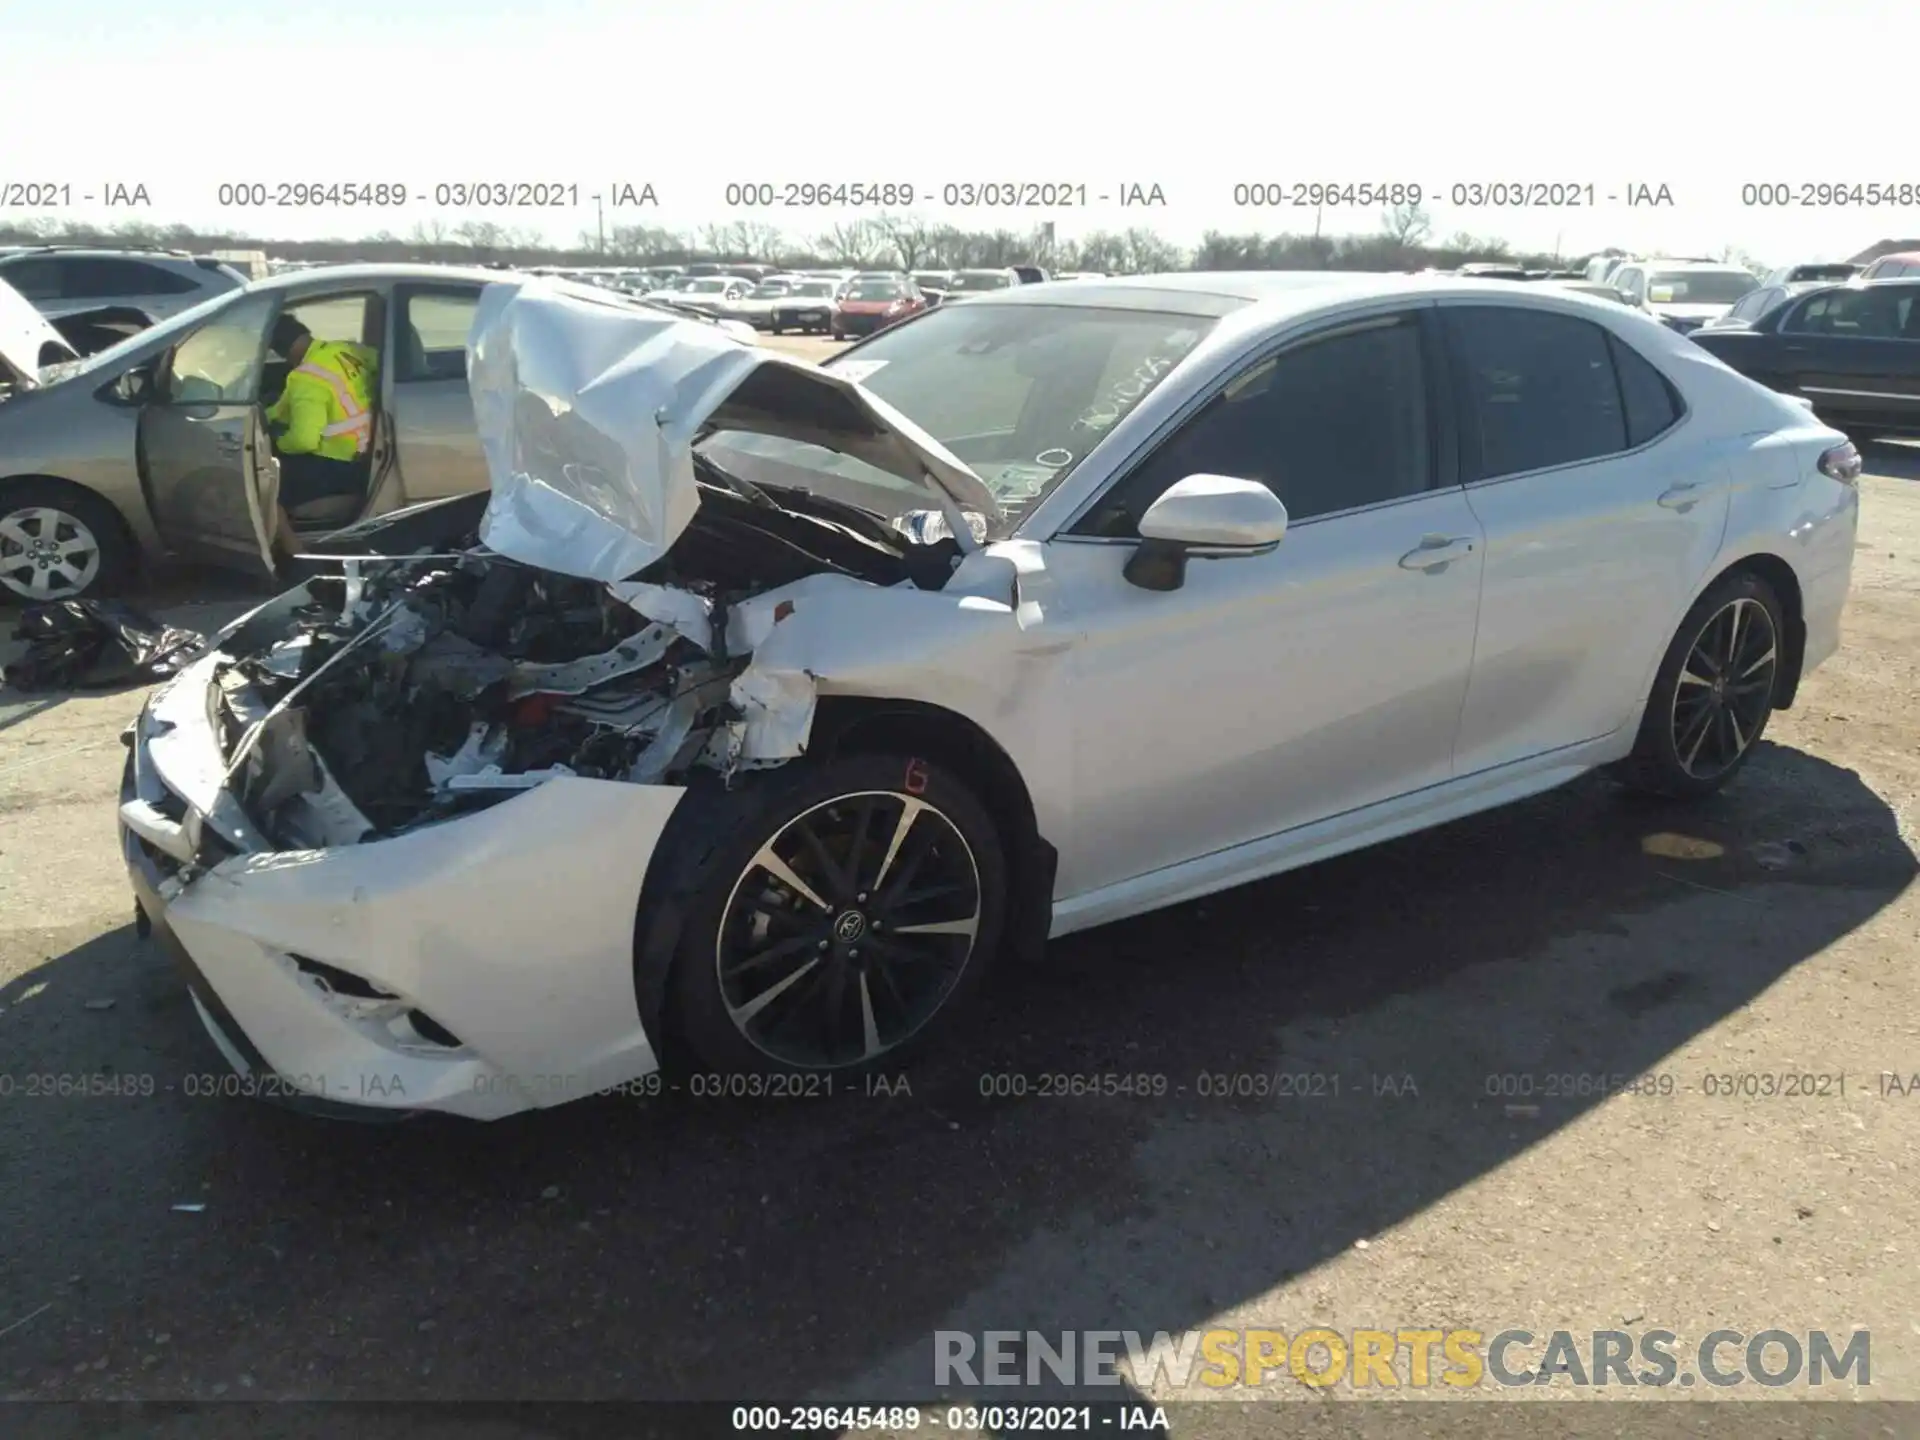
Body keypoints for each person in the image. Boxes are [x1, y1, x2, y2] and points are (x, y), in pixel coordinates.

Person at [264, 313, 378, 564]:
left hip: (338, 466)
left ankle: (295, 551)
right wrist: (268, 415)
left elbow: (304, 441)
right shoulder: (346, 350)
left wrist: (276, 444)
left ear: (283, 351)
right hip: (364, 453)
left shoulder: (306, 378)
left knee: (265, 477)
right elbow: (283, 407)